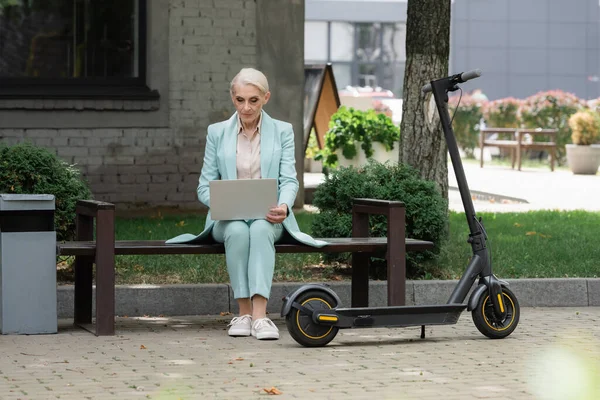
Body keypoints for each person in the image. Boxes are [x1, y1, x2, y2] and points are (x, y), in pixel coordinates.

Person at [166, 68, 327, 340]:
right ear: (233, 98)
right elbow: (204, 185)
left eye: (253, 100)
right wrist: (219, 202)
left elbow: (289, 179)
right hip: (227, 219)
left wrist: (284, 206)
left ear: (266, 98)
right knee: (239, 230)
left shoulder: (283, 131)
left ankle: (261, 317)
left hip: (269, 216)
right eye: (240, 100)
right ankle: (243, 314)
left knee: (260, 229)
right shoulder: (217, 132)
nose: (246, 107)